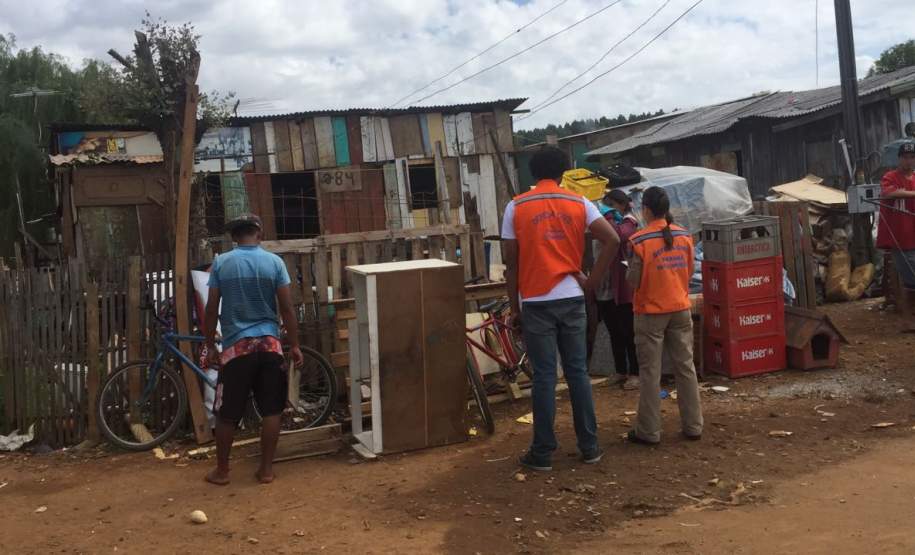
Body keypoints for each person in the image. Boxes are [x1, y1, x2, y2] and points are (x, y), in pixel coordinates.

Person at [502, 147, 620, 471]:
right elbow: (612, 240)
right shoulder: (580, 203)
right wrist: (591, 283)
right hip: (572, 297)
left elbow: (511, 264)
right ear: (563, 172)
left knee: (544, 377)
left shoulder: (516, 206)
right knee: (577, 372)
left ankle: (542, 453)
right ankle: (590, 447)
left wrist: (515, 308)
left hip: (536, 301)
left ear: (533, 172)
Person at [203, 213, 304, 485]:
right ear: (259, 234)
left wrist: (210, 346)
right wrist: (294, 345)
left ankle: (222, 472)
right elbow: (287, 308)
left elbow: (211, 308)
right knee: (271, 410)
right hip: (270, 346)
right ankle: (266, 470)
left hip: (236, 350)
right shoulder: (274, 263)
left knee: (226, 414)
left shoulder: (222, 263)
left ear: (234, 237)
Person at [625, 187, 702, 445]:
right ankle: (693, 426)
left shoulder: (639, 241)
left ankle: (649, 431)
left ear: (646, 210)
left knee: (650, 373)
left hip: (650, 313)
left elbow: (633, 280)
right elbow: (688, 272)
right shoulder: (684, 236)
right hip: (680, 309)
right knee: (686, 368)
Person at [595, 189, 640, 390]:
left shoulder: (630, 221)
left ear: (621, 205)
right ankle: (620, 370)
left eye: (611, 206)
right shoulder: (608, 222)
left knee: (628, 332)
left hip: (622, 287)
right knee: (614, 331)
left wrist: (608, 216)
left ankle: (635, 373)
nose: (608, 209)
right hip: (605, 286)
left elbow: (619, 236)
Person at [876, 141, 915, 330]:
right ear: (899, 158)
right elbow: (889, 193)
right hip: (900, 238)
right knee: (911, 281)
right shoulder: (890, 177)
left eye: (912, 157)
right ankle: (907, 320)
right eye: (905, 157)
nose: (909, 161)